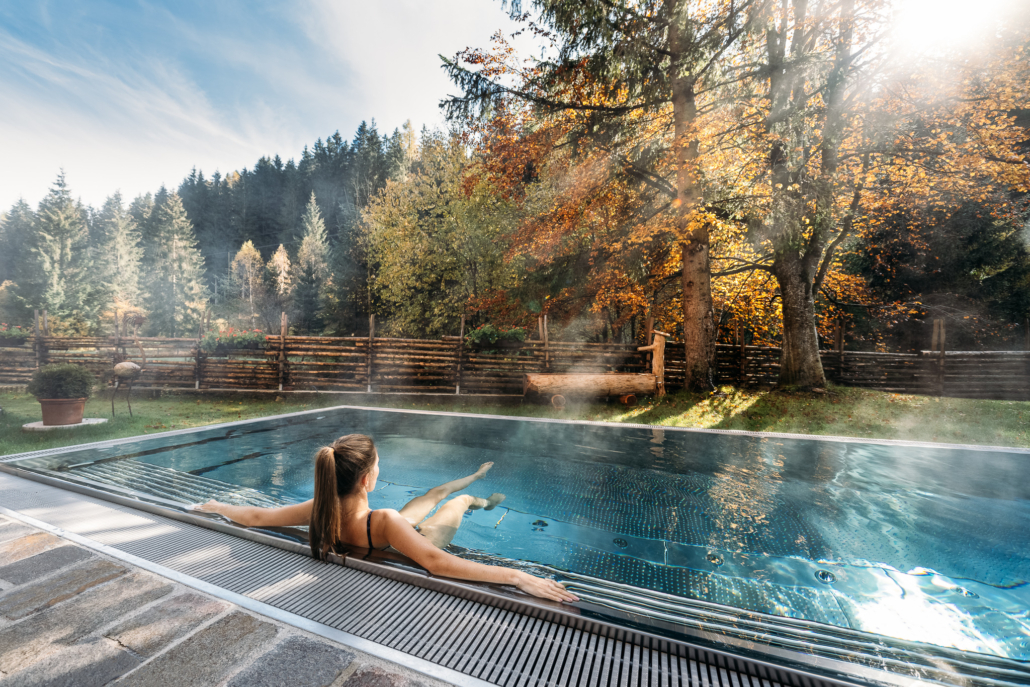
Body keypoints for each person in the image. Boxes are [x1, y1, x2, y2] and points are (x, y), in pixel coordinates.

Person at [195, 433, 578, 603]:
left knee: (429, 495)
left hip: (385, 526)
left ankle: (476, 478)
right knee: (454, 503)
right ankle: (484, 498)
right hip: (415, 536)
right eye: (378, 466)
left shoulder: (319, 507)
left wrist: (219, 508)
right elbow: (436, 562)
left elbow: (259, 516)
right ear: (366, 479)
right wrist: (518, 577)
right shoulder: (386, 520)